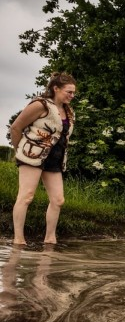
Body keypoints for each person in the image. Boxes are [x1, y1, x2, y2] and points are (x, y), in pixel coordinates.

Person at [10, 72, 76, 245]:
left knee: (58, 200)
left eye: (73, 92)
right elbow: (16, 128)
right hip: (31, 156)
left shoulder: (68, 111)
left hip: (54, 159)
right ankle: (18, 239)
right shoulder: (40, 105)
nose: (72, 95)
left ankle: (50, 239)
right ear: (56, 88)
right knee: (26, 196)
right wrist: (21, 153)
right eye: (69, 92)